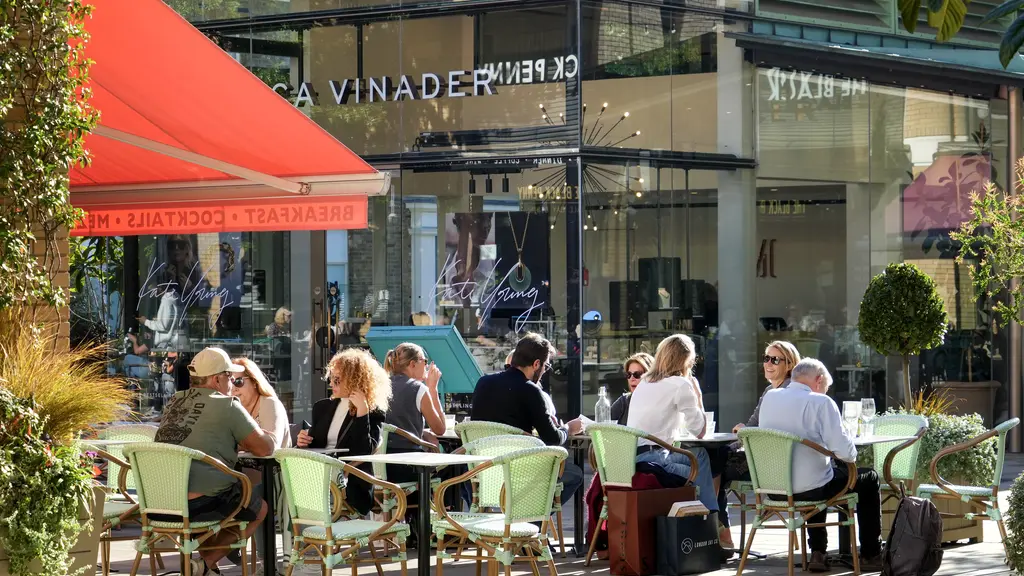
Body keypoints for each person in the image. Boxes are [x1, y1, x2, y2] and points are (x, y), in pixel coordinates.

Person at [154, 347, 275, 576]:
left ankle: (203, 567)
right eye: (231, 377)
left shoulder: (174, 402)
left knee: (213, 492)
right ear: (218, 379)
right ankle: (205, 562)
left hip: (161, 502)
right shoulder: (226, 404)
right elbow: (265, 448)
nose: (233, 383)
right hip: (199, 506)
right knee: (259, 508)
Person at [759, 358, 882, 572]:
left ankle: (818, 552)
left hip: (774, 490)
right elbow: (847, 454)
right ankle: (871, 554)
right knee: (868, 477)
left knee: (820, 474)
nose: (825, 391)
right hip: (811, 489)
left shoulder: (770, 397)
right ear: (819, 380)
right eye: (826, 387)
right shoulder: (821, 402)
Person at [471, 333, 584, 505]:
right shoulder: (530, 390)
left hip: (484, 472)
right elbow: (552, 438)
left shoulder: (483, 382)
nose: (545, 371)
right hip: (518, 474)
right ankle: (533, 521)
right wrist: (568, 428)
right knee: (574, 474)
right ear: (536, 364)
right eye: (546, 366)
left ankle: (499, 516)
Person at [716, 340, 802, 548]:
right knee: (715, 459)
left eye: (775, 359)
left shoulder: (788, 392)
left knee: (712, 464)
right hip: (765, 459)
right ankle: (719, 527)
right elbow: (753, 426)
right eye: (766, 358)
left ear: (789, 364)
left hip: (775, 465)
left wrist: (743, 434)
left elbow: (768, 430)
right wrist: (741, 433)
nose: (768, 364)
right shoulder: (769, 391)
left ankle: (718, 527)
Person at [626, 334, 718, 515]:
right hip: (655, 459)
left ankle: (706, 519)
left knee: (698, 458)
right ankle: (710, 521)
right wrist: (698, 396)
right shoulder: (680, 385)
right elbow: (699, 431)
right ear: (685, 362)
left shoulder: (644, 381)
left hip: (631, 458)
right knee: (700, 463)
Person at [296, 348, 389, 516]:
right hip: (319, 476)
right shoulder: (322, 407)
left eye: (337, 379)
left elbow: (363, 453)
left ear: (354, 380)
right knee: (289, 481)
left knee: (299, 487)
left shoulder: (372, 411)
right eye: (331, 378)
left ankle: (306, 537)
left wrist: (362, 413)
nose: (331, 383)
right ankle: (304, 536)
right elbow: (318, 447)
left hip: (349, 481)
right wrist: (304, 441)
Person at [228, 357, 292, 570]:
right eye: (230, 382)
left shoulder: (269, 403)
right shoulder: (233, 409)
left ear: (254, 381)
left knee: (254, 497)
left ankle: (266, 561)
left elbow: (270, 445)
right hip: (245, 475)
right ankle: (222, 543)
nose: (234, 388)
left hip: (277, 475)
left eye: (239, 382)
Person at [382, 342, 446, 477]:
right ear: (413, 364)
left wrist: (422, 432)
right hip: (408, 463)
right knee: (449, 470)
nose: (427, 366)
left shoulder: (380, 385)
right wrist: (433, 389)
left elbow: (393, 423)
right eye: (424, 361)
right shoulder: (417, 389)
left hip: (379, 462)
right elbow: (440, 429)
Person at [611, 352, 653, 425]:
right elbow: (600, 427)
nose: (632, 378)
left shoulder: (659, 403)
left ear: (650, 376)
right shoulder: (624, 401)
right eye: (629, 374)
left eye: (637, 374)